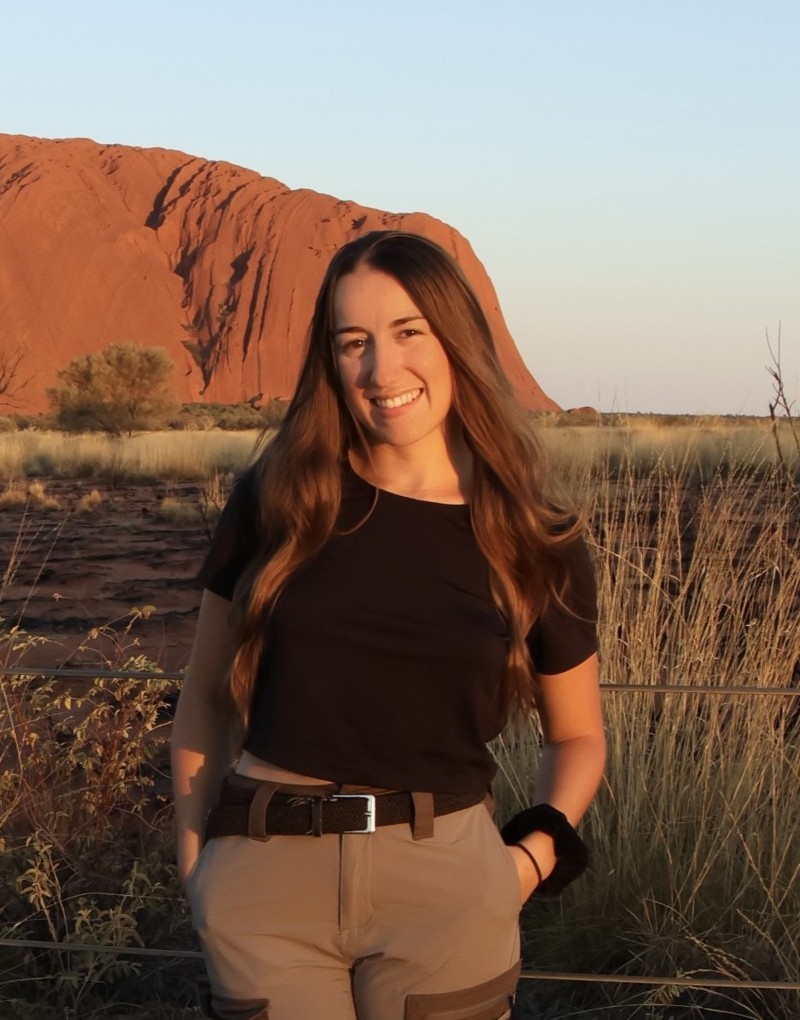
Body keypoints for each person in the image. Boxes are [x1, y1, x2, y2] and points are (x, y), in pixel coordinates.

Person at [171, 231, 606, 1020]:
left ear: (457, 339)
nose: (381, 369)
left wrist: (528, 863)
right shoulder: (279, 499)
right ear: (331, 361)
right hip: (266, 881)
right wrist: (199, 866)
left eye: (409, 332)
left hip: (447, 887)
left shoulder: (531, 536)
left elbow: (577, 737)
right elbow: (204, 697)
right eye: (354, 343)